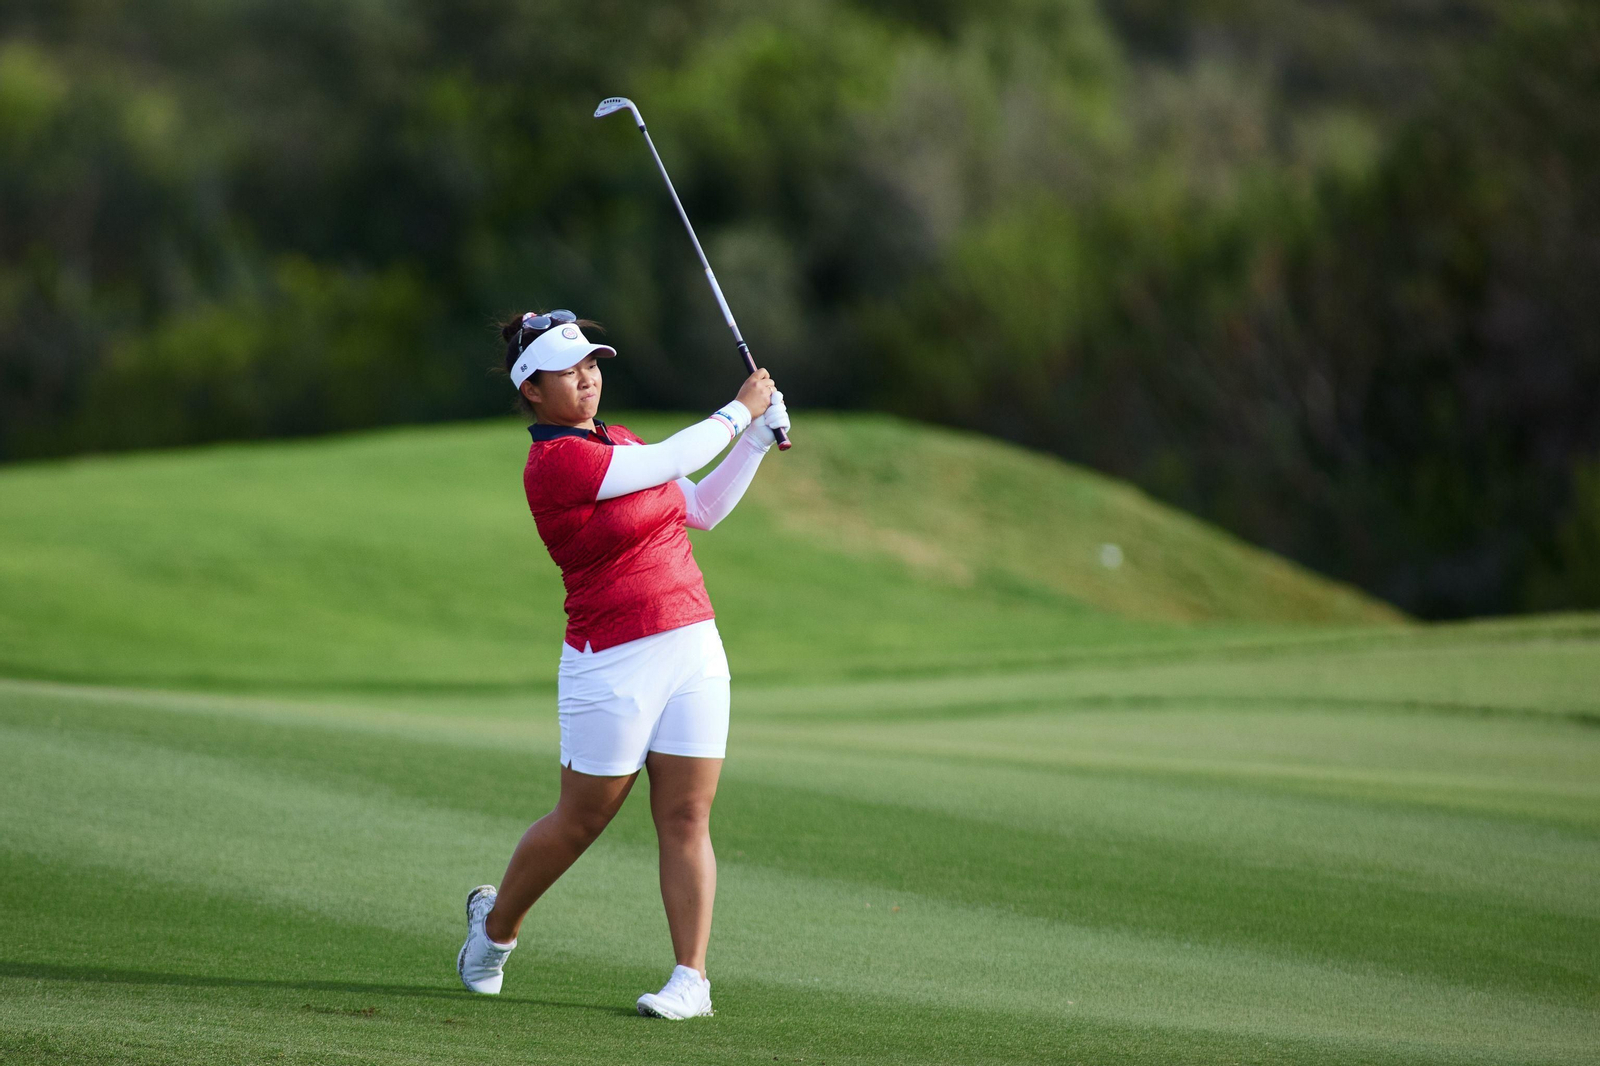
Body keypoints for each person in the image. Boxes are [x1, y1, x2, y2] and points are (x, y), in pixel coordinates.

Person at [456, 309, 789, 1020]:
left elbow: (696, 505)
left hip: (693, 642)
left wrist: (753, 442)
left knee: (687, 815)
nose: (587, 380)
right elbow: (671, 462)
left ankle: (690, 980)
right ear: (533, 390)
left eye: (592, 366)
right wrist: (741, 410)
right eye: (568, 372)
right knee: (581, 822)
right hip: (610, 659)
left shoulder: (622, 439)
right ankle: (494, 930)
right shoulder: (556, 464)